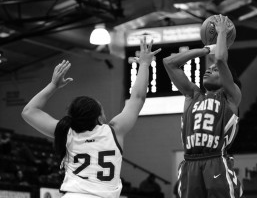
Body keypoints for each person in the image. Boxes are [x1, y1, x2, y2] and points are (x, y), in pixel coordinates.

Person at [21, 37, 161, 198]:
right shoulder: (114, 130)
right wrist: (144, 64)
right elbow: (138, 98)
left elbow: (29, 111)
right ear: (99, 116)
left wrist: (53, 85)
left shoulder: (66, 131)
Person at [163, 14, 242, 198]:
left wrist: (221, 32)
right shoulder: (193, 95)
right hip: (189, 163)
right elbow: (169, 63)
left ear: (226, 80)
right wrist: (207, 49)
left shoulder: (231, 96)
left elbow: (221, 60)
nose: (208, 69)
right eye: (209, 68)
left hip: (216, 161)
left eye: (214, 70)